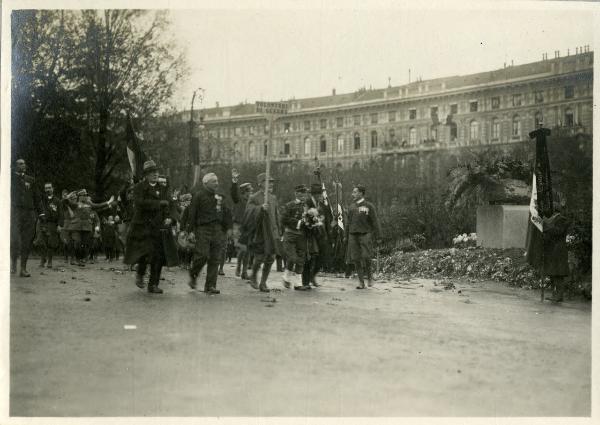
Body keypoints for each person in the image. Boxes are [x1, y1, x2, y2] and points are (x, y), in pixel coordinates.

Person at [124, 160, 178, 294]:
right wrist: (159, 203)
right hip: (143, 226)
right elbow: (140, 203)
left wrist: (170, 218)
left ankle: (153, 284)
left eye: (156, 172)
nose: (155, 174)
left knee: (158, 256)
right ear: (146, 175)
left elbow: (171, 205)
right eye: (151, 172)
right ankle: (140, 274)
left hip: (159, 226)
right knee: (145, 253)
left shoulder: (163, 188)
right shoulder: (138, 188)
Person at [186, 172, 233, 295]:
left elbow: (227, 212)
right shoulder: (198, 196)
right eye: (214, 181)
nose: (217, 183)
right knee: (202, 255)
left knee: (215, 258)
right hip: (203, 229)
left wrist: (229, 227)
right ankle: (193, 273)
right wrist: (190, 231)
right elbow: (192, 214)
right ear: (205, 183)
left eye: (217, 181)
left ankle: (210, 285)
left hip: (218, 229)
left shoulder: (220, 196)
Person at [526, 192, 570, 302]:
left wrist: (544, 225)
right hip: (552, 250)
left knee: (558, 274)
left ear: (556, 210)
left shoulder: (561, 219)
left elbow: (557, 232)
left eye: (553, 209)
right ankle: (555, 294)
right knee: (551, 272)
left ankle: (559, 295)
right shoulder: (552, 219)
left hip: (558, 251)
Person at [243, 173, 282, 292]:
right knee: (259, 257)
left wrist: (279, 230)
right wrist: (260, 208)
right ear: (260, 183)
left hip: (272, 231)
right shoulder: (254, 197)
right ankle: (254, 276)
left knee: (271, 257)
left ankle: (263, 282)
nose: (271, 184)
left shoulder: (273, 197)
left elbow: (276, 215)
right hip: (260, 232)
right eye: (268, 181)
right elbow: (248, 213)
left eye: (271, 182)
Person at [345, 184, 381, 289]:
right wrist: (345, 236)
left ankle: (369, 277)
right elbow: (348, 223)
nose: (353, 194)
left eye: (355, 192)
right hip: (353, 235)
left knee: (366, 256)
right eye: (353, 192)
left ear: (361, 193)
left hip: (365, 234)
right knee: (356, 258)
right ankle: (361, 282)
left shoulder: (369, 206)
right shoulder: (351, 206)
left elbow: (375, 221)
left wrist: (379, 236)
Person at [11, 159, 42, 277]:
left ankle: (23, 268)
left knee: (27, 241)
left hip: (29, 213)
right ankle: (13, 263)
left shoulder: (31, 180)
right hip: (15, 212)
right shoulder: (10, 179)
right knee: (14, 239)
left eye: (24, 163)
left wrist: (41, 213)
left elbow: (37, 197)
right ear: (15, 166)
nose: (23, 165)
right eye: (20, 163)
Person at [280, 184, 312, 290]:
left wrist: (312, 222)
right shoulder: (289, 205)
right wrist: (299, 222)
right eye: (301, 192)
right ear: (296, 193)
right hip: (290, 234)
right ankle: (286, 277)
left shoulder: (307, 206)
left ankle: (298, 284)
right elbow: (284, 219)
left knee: (301, 259)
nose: (303, 195)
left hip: (302, 235)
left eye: (305, 193)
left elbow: (311, 219)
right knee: (292, 257)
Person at [303, 183, 334, 287]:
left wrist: (329, 233)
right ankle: (306, 281)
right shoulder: (307, 203)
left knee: (323, 257)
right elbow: (305, 219)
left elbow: (328, 220)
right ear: (313, 194)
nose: (319, 196)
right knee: (309, 258)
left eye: (320, 194)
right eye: (317, 194)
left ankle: (313, 275)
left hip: (322, 235)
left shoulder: (323, 206)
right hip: (310, 234)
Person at [38, 182, 63, 269]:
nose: (48, 190)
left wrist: (60, 225)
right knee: (41, 242)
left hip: (52, 224)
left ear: (53, 189)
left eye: (49, 188)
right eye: (46, 188)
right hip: (43, 223)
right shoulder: (42, 200)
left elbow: (61, 214)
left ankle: (49, 261)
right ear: (44, 190)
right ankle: (42, 259)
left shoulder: (57, 201)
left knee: (50, 243)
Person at [233, 182, 253, 279]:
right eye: (250, 190)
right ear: (245, 191)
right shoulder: (239, 199)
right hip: (238, 225)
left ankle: (244, 272)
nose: (251, 192)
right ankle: (238, 267)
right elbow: (234, 194)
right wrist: (234, 183)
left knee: (248, 249)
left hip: (248, 226)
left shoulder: (251, 201)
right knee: (242, 248)